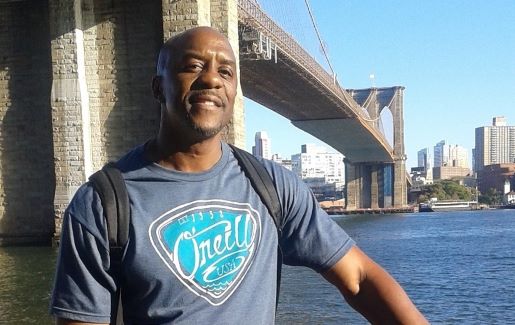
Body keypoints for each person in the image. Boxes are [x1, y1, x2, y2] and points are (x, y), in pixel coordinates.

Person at [50, 26, 428, 325]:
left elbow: (359, 277)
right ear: (157, 88)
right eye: (192, 66)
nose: (211, 79)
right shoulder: (102, 204)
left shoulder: (273, 187)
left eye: (225, 71)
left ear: (233, 92)